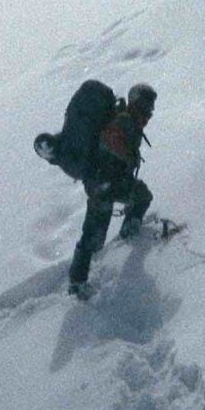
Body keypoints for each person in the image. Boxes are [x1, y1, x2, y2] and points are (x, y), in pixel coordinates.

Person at [69, 82, 157, 298]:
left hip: (107, 185)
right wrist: (127, 155)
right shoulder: (125, 120)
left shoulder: (129, 121)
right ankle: (77, 284)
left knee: (95, 235)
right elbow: (109, 140)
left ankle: (77, 282)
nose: (149, 113)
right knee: (94, 237)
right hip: (104, 184)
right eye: (146, 107)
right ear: (136, 102)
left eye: (151, 109)